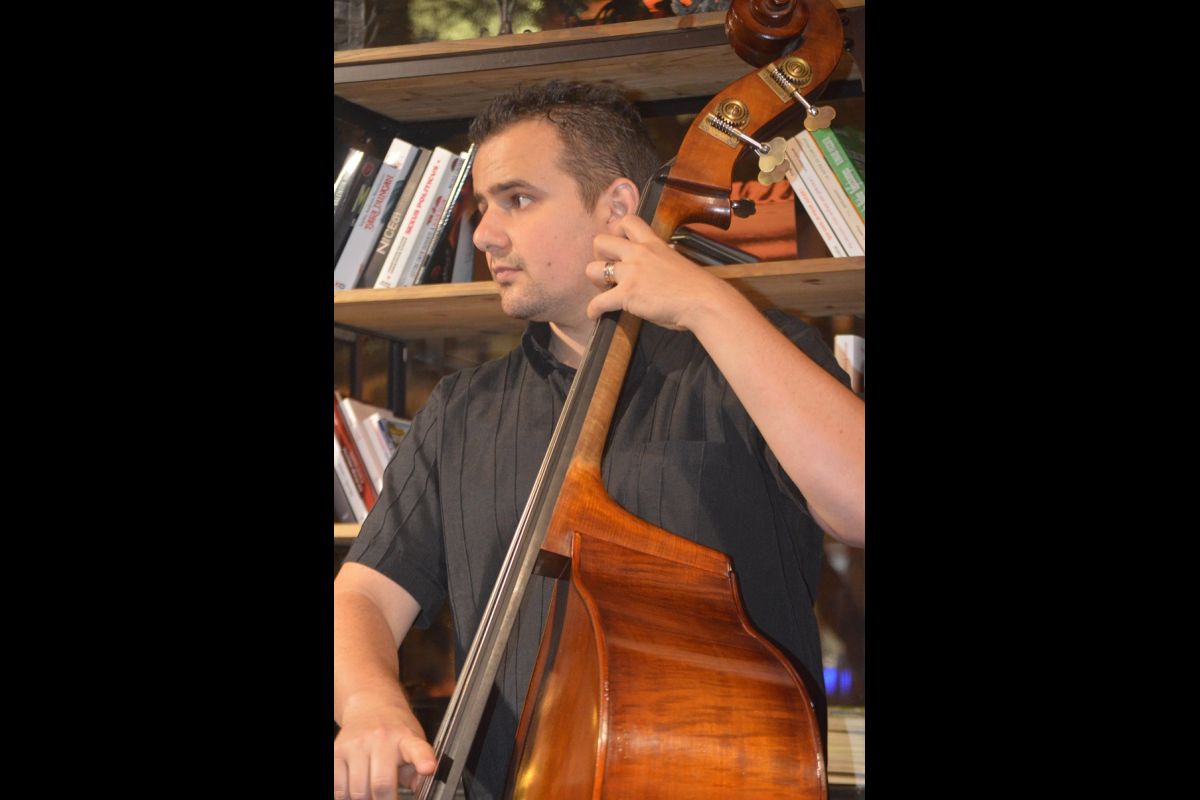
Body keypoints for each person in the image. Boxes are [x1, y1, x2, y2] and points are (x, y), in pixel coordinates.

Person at [333, 80, 865, 800]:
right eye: (483, 206)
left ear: (617, 206)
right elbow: (364, 593)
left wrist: (706, 303)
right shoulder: (461, 409)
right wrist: (370, 705)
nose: (484, 234)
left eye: (517, 199)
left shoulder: (752, 357)